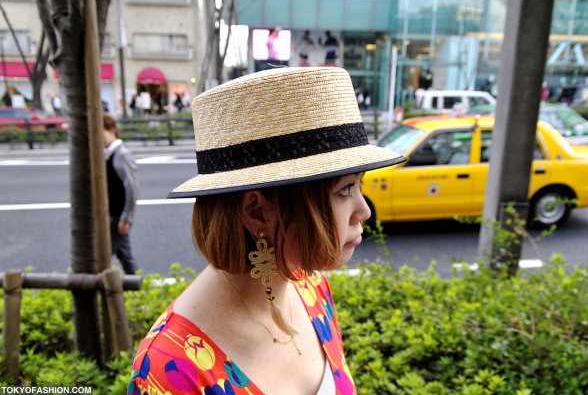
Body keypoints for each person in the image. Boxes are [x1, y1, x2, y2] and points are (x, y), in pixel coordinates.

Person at [128, 67, 405, 394]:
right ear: (256, 211)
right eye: (345, 189)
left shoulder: (309, 285)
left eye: (361, 185)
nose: (365, 210)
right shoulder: (170, 370)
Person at [103, 113, 139, 275]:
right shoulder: (108, 154)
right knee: (125, 256)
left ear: (111, 130)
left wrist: (126, 217)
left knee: (102, 257)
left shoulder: (121, 154)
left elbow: (131, 187)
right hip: (113, 214)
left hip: (117, 215)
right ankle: (138, 290)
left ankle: (131, 289)